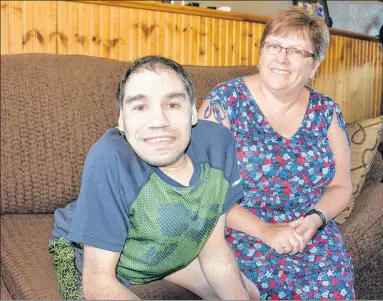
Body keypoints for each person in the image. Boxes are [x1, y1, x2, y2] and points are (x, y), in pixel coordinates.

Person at [48, 56, 259, 300]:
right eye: (140, 107)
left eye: (172, 105)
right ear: (121, 121)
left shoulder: (218, 145)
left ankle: (160, 268)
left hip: (161, 245)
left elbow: (213, 249)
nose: (158, 121)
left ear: (192, 113)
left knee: (249, 295)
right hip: (87, 252)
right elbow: (97, 283)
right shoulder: (109, 157)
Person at [198, 6, 355, 300]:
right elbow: (202, 192)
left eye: (296, 51)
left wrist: (315, 219)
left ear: (315, 65)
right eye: (275, 45)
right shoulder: (223, 104)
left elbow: (341, 185)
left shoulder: (327, 112)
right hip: (240, 233)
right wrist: (265, 231)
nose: (282, 57)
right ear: (261, 52)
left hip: (309, 234)